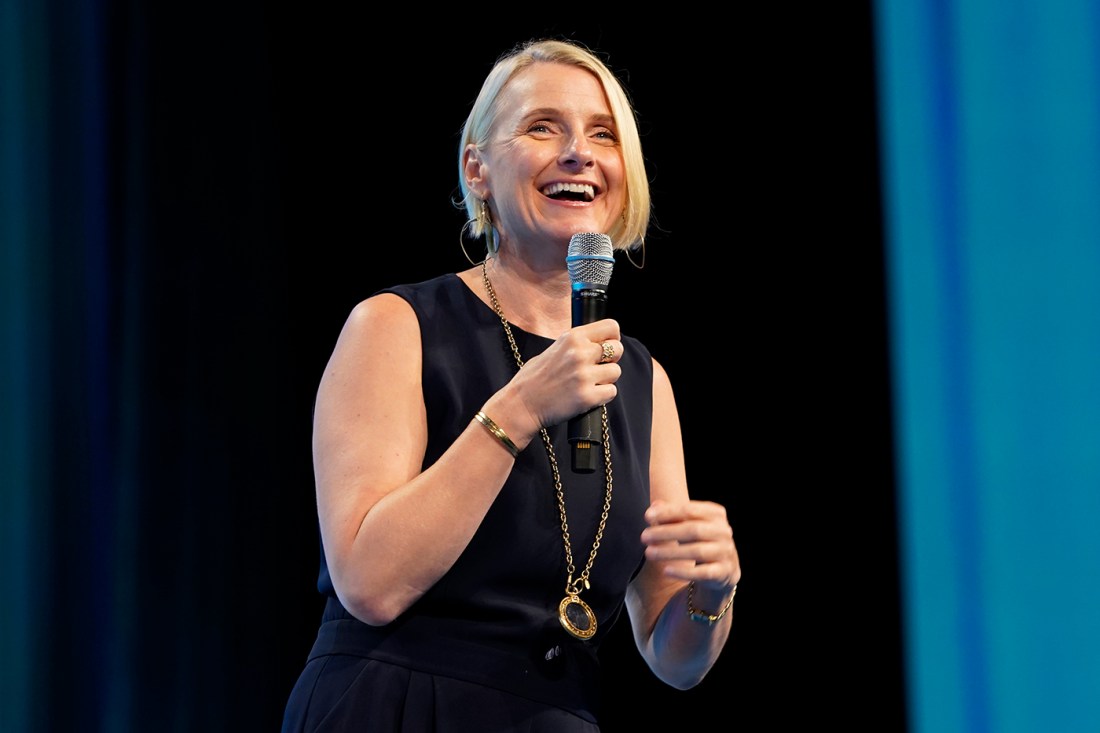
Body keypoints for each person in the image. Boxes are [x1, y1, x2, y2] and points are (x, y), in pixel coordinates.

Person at [281, 37, 741, 732]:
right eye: (541, 127)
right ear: (478, 171)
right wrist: (523, 404)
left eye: (602, 134)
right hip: (396, 706)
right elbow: (369, 583)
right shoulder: (396, 326)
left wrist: (711, 591)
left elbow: (675, 659)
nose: (578, 153)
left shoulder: (644, 380)